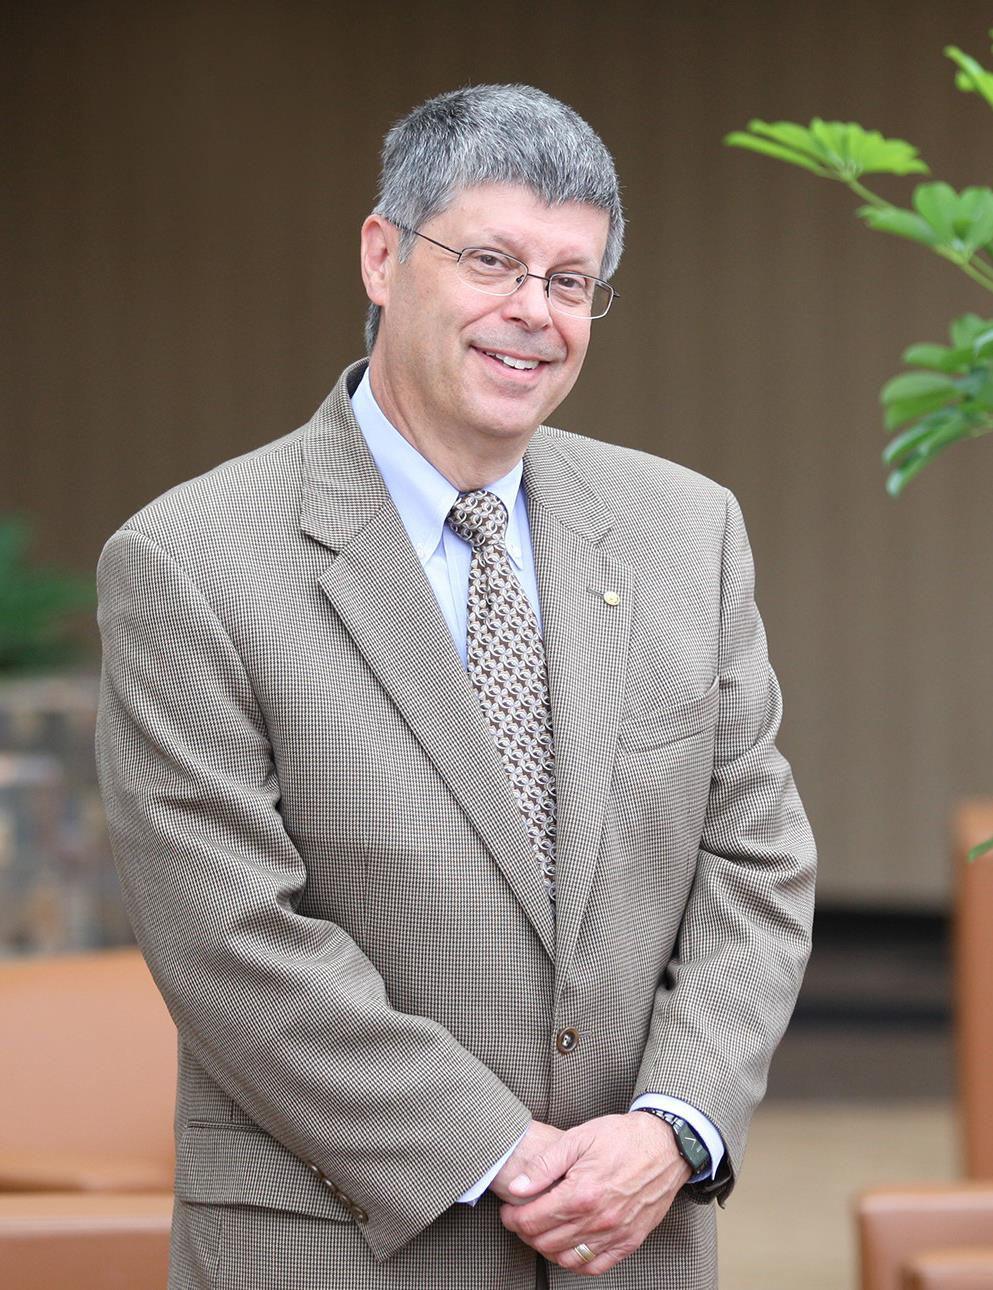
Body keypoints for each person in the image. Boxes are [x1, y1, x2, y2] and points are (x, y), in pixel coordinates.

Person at [95, 84, 816, 1290]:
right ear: (383, 257)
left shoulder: (688, 531)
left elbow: (759, 858)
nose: (533, 312)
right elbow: (228, 936)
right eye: (491, 261)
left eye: (570, 280)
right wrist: (502, 1154)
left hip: (628, 1241)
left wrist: (673, 1127)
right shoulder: (189, 565)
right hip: (337, 1247)